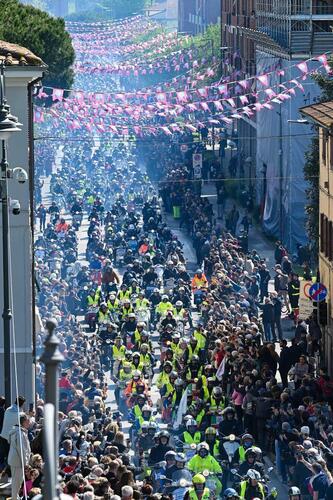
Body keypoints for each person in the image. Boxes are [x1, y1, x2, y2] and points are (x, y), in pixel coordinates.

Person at [8, 414, 31, 500]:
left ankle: (15, 497)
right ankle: (15, 498)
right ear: (24, 422)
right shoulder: (20, 433)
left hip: (16, 460)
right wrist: (25, 463)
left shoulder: (16, 431)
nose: (29, 423)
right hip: (18, 462)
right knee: (17, 482)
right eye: (28, 421)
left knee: (16, 482)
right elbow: (22, 450)